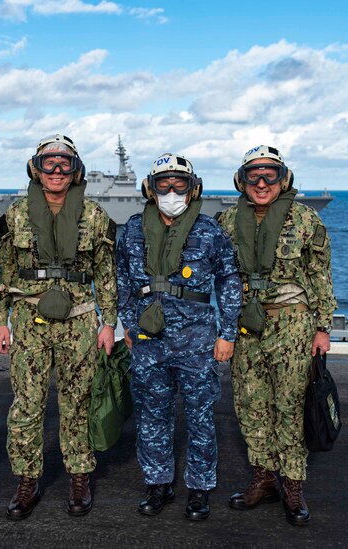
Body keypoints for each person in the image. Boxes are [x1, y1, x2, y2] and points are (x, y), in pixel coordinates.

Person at [0, 134, 118, 520]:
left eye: (65, 163)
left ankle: (79, 477)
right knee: (27, 405)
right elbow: (4, 273)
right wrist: (0, 321)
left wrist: (109, 323)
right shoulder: (14, 215)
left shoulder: (94, 216)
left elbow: (106, 273)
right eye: (49, 162)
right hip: (29, 321)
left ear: (75, 170)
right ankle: (27, 480)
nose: (57, 170)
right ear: (37, 167)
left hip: (79, 321)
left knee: (77, 405)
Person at [116, 153, 241, 521]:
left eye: (180, 184)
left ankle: (200, 489)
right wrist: (127, 323)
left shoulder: (209, 231)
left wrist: (227, 333)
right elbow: (121, 278)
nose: (172, 192)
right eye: (163, 185)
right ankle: (158, 484)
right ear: (150, 190)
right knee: (152, 416)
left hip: (197, 341)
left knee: (201, 417)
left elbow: (229, 281)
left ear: (193, 188)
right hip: (148, 341)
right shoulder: (134, 229)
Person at [216, 145, 336, 526]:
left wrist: (323, 327)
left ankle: (293, 485)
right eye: (254, 175)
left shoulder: (305, 220)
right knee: (251, 406)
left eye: (270, 174)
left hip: (293, 324)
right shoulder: (229, 221)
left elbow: (320, 273)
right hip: (246, 326)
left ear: (283, 178)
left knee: (289, 405)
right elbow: (218, 274)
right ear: (242, 180)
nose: (262, 182)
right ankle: (264, 478)